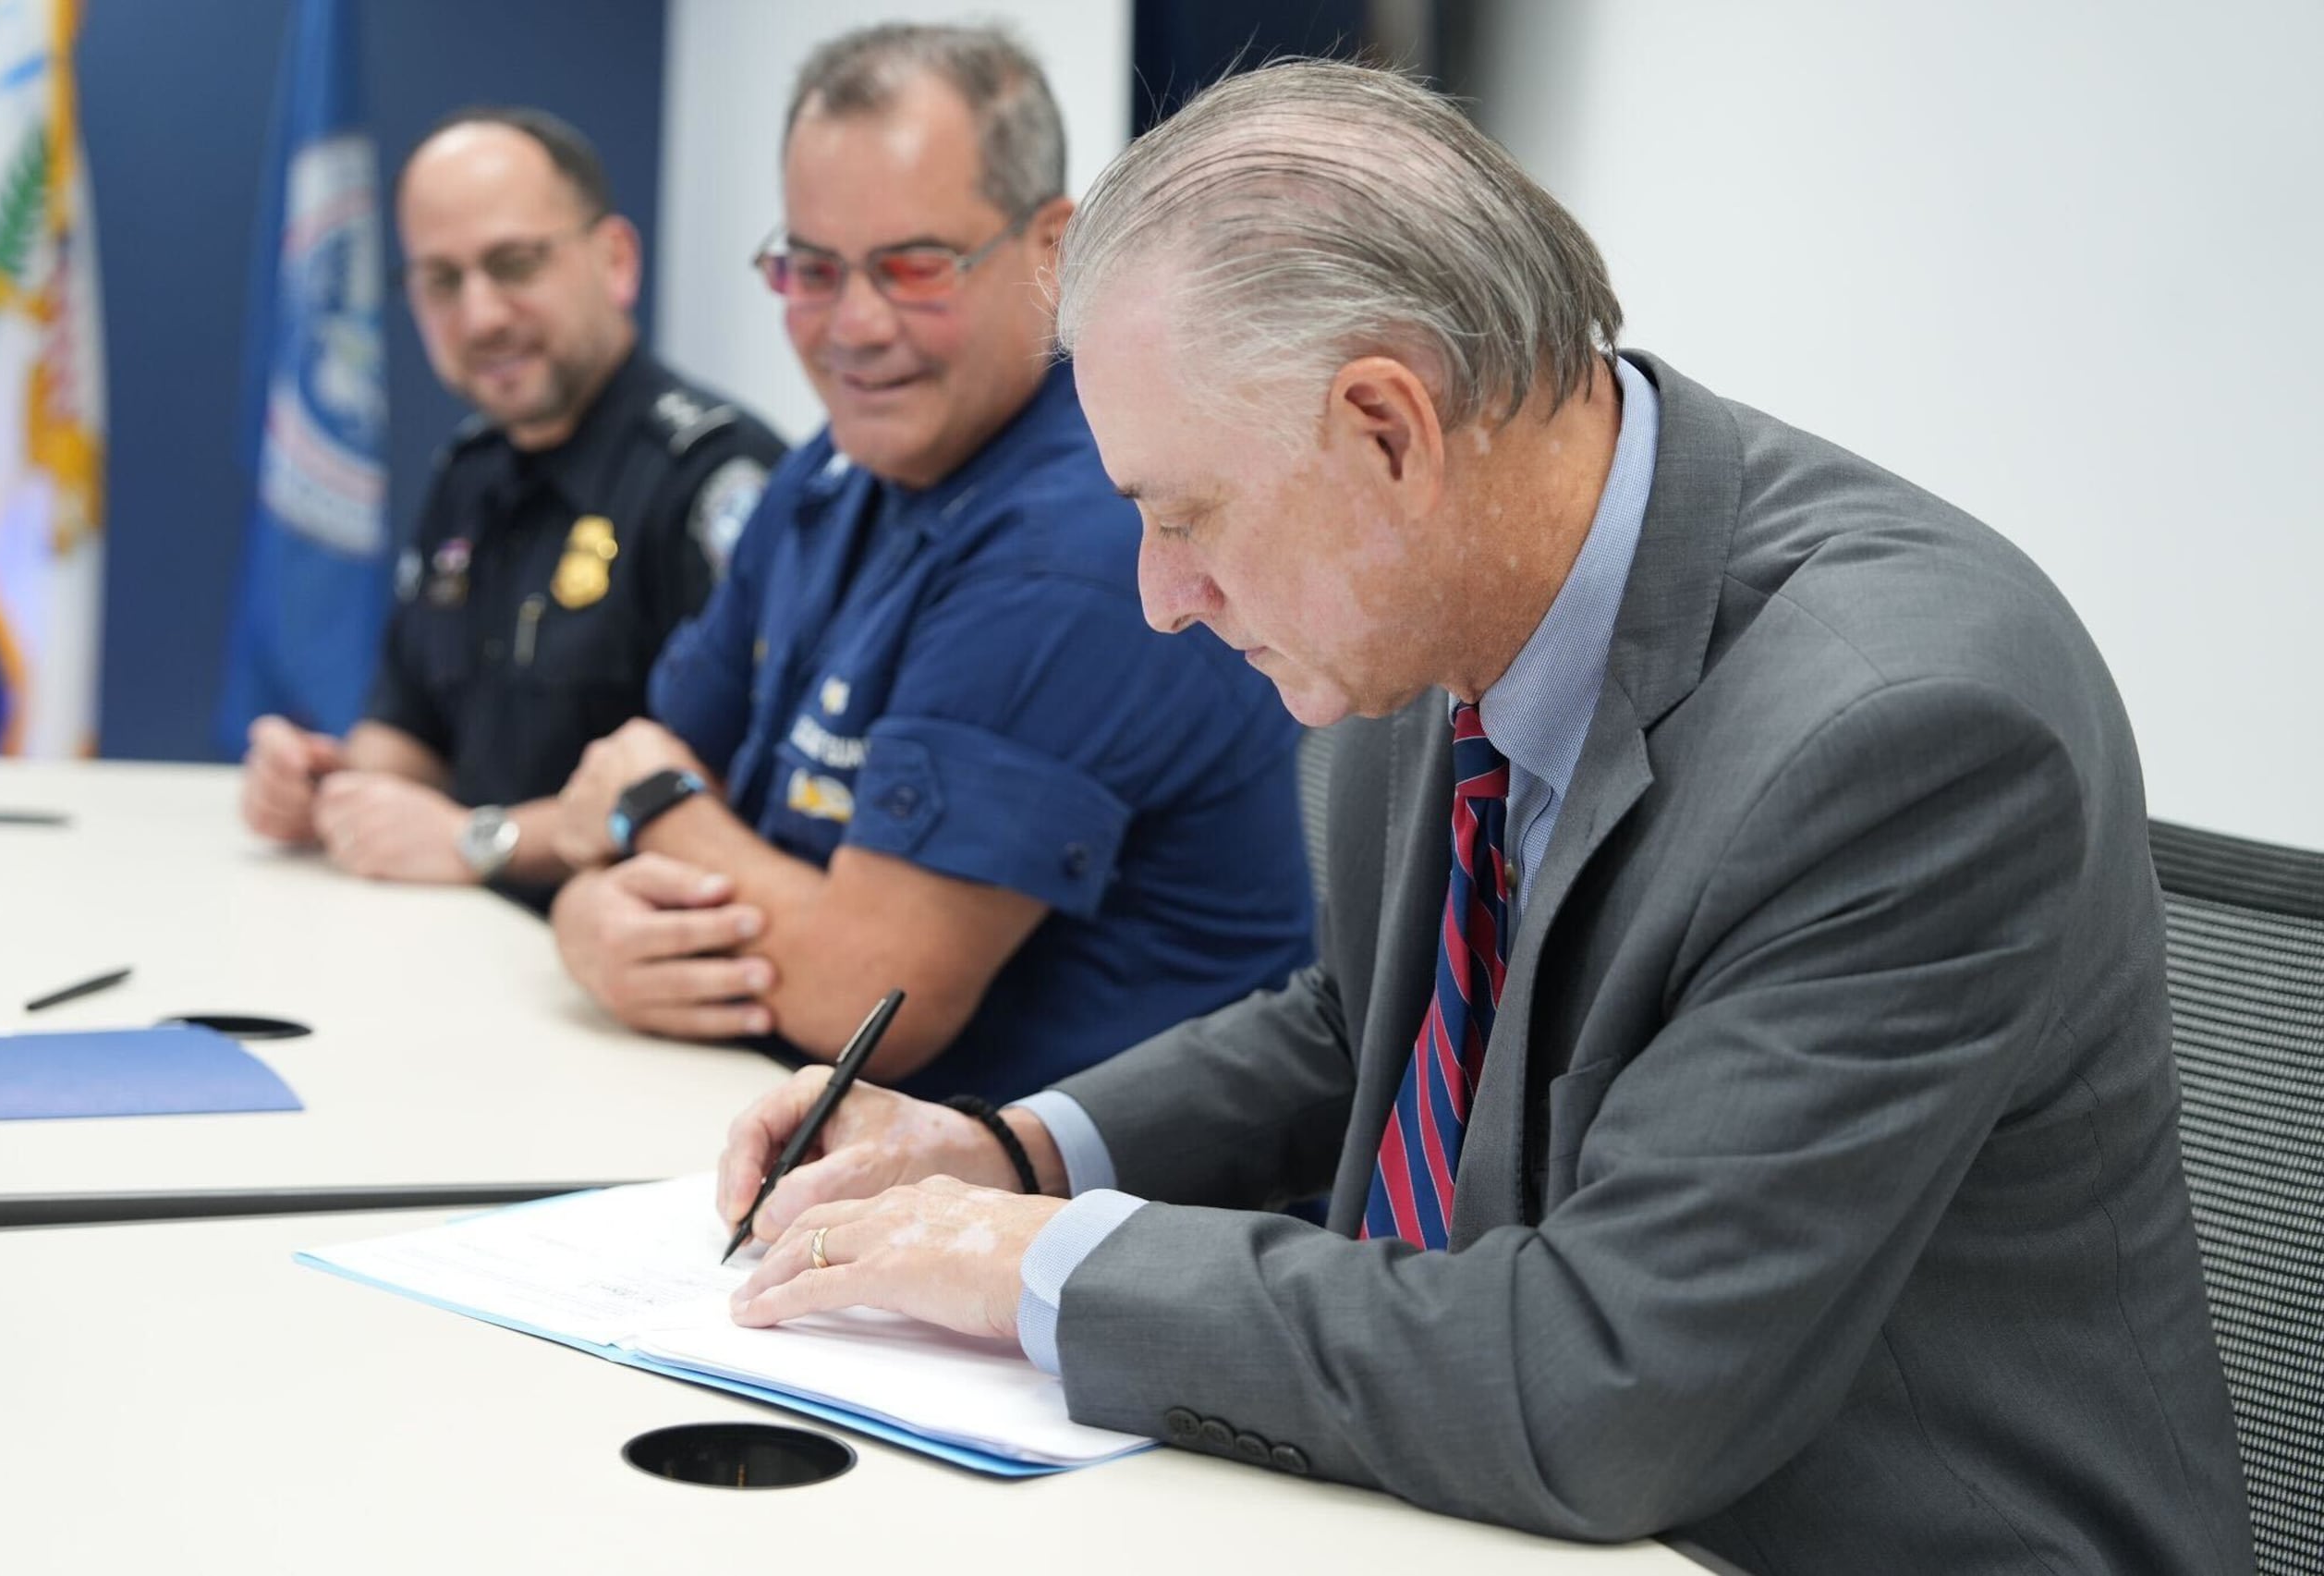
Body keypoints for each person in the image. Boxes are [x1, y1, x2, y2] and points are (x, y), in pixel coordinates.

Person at [707, 61, 2254, 1572]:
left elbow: (1611, 1384)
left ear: (1390, 429)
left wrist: (1044, 1265)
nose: (1161, 599)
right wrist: (1017, 1154)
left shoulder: (1908, 733)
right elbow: (1360, 1027)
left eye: (1185, 516)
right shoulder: (1439, 597)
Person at [545, 25, 1313, 1104]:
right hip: (807, 1143)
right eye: (812, 269)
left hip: (1067, 1223)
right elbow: (627, 786)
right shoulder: (843, 462)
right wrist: (591, 911)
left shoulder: (1083, 536)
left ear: (1053, 249)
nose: (854, 327)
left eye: (913, 267)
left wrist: (653, 809)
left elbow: (862, 1000)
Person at [239, 107, 785, 897]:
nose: (482, 316)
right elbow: (411, 726)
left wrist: (480, 842)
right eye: (441, 280)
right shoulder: (469, 472)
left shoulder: (715, 482)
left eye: (516, 264)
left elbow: (723, 794)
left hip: (637, 975)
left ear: (616, 261)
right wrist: (330, 788)